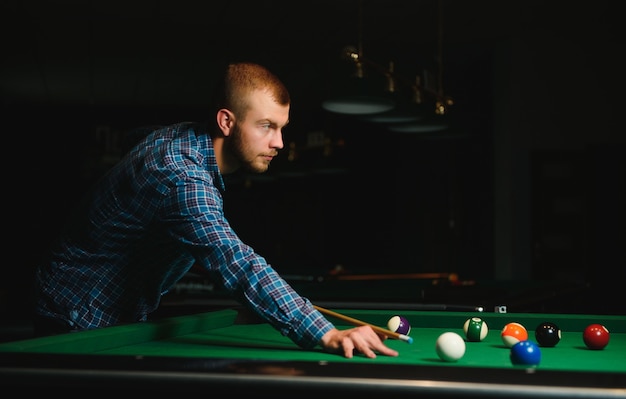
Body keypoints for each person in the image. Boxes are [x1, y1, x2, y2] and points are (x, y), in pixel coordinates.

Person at [32, 61, 398, 359]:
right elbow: (235, 262)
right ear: (226, 121)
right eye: (267, 127)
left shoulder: (182, 136)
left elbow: (138, 137)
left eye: (282, 128)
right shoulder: (182, 178)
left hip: (98, 304)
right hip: (78, 313)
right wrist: (326, 334)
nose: (279, 143)